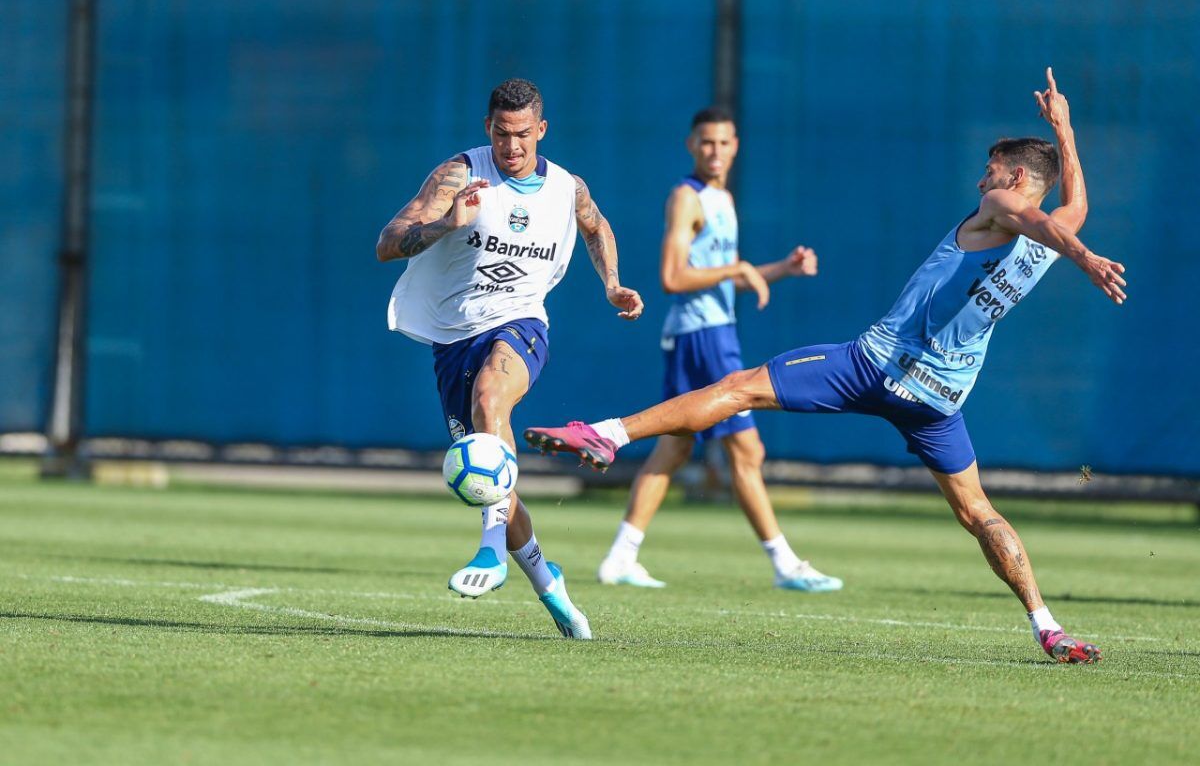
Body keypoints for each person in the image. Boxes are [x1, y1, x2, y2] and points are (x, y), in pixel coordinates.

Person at [525, 69, 1121, 663]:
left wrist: (1088, 258)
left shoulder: (1003, 205)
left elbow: (1042, 219)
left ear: (1015, 179)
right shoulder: (1059, 233)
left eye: (990, 170)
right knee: (978, 510)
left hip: (878, 364)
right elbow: (1071, 209)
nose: (981, 178)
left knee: (738, 389)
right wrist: (1066, 133)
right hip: (941, 398)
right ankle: (1046, 625)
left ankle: (607, 435)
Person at [376, 78, 644, 639]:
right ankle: (551, 585)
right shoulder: (458, 176)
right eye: (502, 134)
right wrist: (445, 225)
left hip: (521, 323)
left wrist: (612, 285)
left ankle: (490, 549)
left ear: (541, 130)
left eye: (523, 135)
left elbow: (596, 226)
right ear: (487, 130)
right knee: (496, 478)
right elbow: (388, 241)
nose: (512, 146)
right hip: (453, 341)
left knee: (491, 396)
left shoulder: (567, 188)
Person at [596, 107, 842, 593]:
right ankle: (785, 563)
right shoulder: (687, 198)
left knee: (674, 446)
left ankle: (621, 557)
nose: (715, 151)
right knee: (747, 449)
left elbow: (723, 277)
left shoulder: (722, 198)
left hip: (711, 330)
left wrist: (781, 269)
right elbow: (673, 278)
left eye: (724, 142)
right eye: (706, 142)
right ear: (692, 145)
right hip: (702, 336)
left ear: (735, 146)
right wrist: (738, 270)